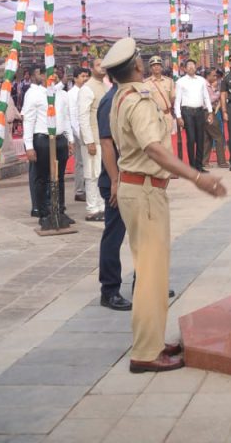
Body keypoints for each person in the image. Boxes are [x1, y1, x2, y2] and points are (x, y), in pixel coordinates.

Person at [103, 37, 226, 373]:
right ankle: (145, 352)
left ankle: (153, 340)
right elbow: (154, 149)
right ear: (137, 65)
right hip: (144, 190)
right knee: (150, 274)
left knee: (153, 272)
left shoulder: (120, 97)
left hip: (139, 188)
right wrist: (196, 177)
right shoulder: (138, 100)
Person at [22, 66, 74, 231]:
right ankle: (44, 213)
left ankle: (59, 210)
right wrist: (29, 146)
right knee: (42, 178)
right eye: (51, 73)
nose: (55, 76)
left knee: (59, 177)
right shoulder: (34, 94)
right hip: (42, 139)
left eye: (56, 73)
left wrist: (70, 139)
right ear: (43, 76)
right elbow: (28, 120)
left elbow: (66, 118)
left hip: (60, 139)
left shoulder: (62, 94)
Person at [97, 82, 132, 311]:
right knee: (114, 236)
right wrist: (115, 180)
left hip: (135, 178)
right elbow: (106, 142)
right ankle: (109, 290)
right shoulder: (110, 101)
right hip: (117, 182)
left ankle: (145, 283)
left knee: (143, 236)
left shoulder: (129, 97)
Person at [77, 57, 108, 221]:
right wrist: (89, 141)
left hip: (103, 138)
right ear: (91, 68)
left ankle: (102, 207)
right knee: (91, 174)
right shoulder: (87, 89)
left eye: (103, 65)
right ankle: (92, 209)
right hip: (92, 139)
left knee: (101, 173)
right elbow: (83, 117)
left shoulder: (105, 86)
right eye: (98, 65)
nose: (102, 67)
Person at [174, 59, 213, 171]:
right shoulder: (180, 82)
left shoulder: (201, 80)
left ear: (196, 68)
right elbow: (177, 100)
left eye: (193, 65)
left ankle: (199, 165)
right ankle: (192, 166)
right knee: (191, 139)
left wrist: (210, 112)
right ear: (185, 69)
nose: (191, 67)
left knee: (200, 139)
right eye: (189, 66)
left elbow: (206, 97)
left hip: (200, 112)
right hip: (187, 112)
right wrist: (178, 116)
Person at [67, 67, 90, 203]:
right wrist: (79, 134)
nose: (85, 79)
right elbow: (72, 116)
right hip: (78, 132)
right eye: (82, 76)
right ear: (75, 78)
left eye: (87, 76)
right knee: (80, 162)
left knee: (88, 162)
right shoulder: (71, 94)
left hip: (88, 131)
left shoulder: (88, 91)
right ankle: (79, 190)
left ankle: (87, 188)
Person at [203, 69, 228, 168]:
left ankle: (204, 162)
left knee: (207, 138)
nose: (215, 77)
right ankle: (221, 162)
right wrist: (220, 94)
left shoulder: (208, 85)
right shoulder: (205, 86)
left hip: (206, 112)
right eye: (213, 76)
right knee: (219, 137)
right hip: (208, 113)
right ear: (207, 76)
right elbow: (210, 99)